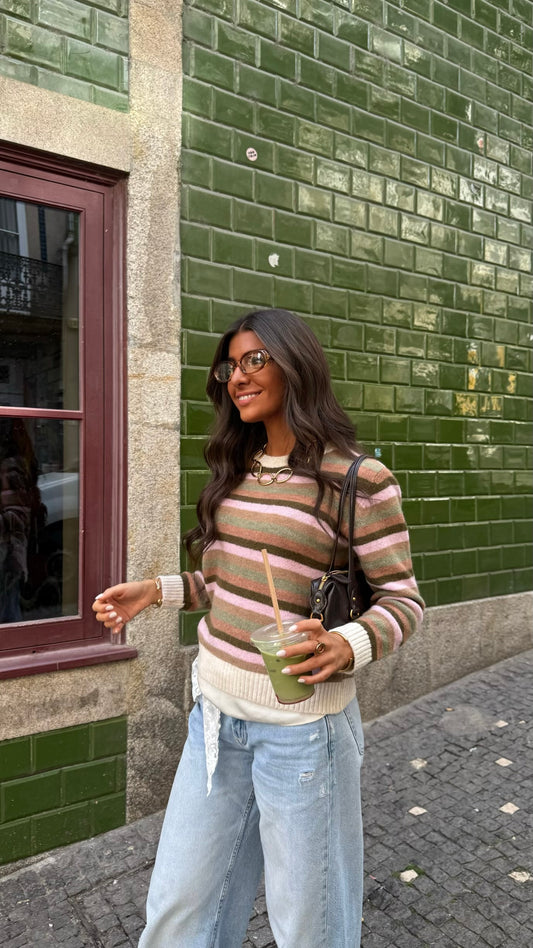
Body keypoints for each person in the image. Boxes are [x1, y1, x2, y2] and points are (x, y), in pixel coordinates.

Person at [93, 308, 424, 948]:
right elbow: (225, 583)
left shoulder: (356, 479)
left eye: (254, 360)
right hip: (214, 723)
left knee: (309, 927)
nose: (237, 377)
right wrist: (157, 592)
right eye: (230, 365)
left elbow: (403, 600)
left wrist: (346, 643)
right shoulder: (238, 469)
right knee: (177, 913)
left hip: (303, 735)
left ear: (294, 364)